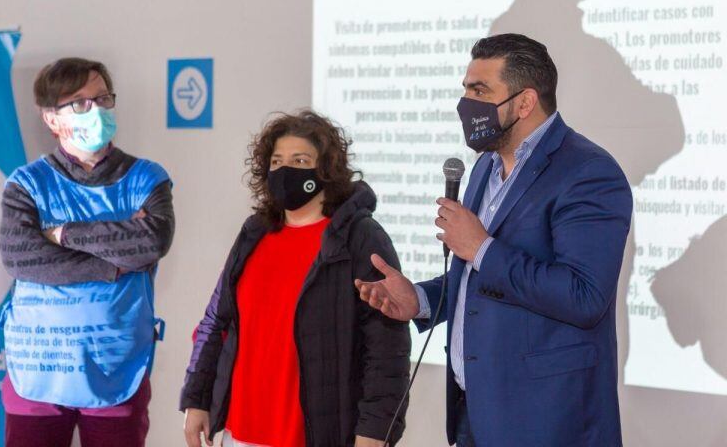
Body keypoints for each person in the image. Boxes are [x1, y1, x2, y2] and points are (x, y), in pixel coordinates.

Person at [355, 34, 633, 447]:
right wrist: (422, 299)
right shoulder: (485, 167)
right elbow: (481, 279)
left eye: (480, 91)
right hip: (475, 412)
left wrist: (482, 247)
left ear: (525, 103)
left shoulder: (588, 172)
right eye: (466, 89)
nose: (466, 104)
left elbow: (584, 296)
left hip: (546, 423)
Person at [180, 110, 411, 447]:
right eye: (276, 161)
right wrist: (197, 398)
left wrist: (375, 432)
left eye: (300, 160)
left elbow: (385, 346)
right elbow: (218, 320)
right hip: (240, 432)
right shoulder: (255, 232)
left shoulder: (360, 238)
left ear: (326, 169)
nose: (285, 170)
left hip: (314, 435)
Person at [0, 58, 175, 447]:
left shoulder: (146, 177)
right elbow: (21, 257)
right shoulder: (27, 184)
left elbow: (151, 243)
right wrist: (113, 264)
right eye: (78, 103)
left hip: (116, 370)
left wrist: (61, 233)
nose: (95, 110)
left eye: (102, 98)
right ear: (51, 119)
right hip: (38, 375)